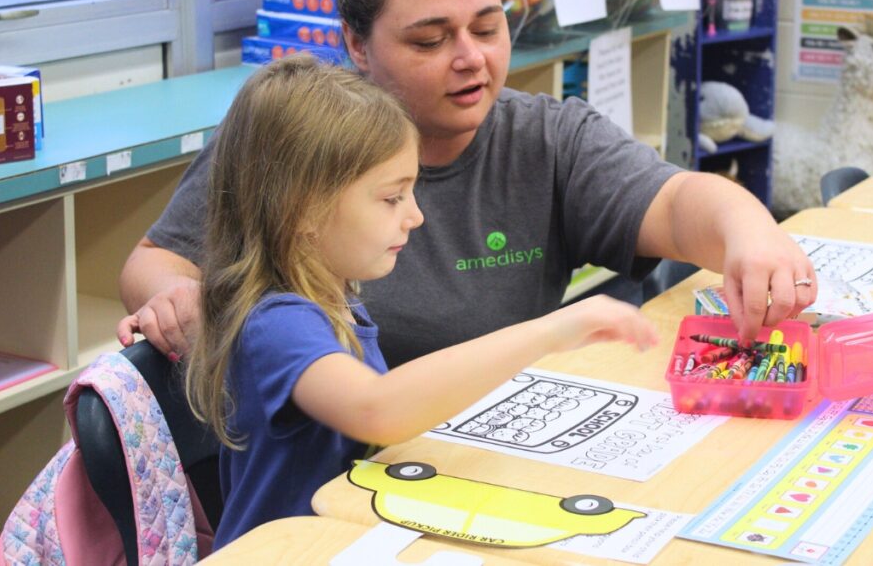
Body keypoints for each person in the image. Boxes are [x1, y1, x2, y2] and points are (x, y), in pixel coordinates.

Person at [117, 0, 816, 366]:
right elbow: (153, 262)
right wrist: (178, 299)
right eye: (429, 40)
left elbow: (680, 201)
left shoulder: (547, 137)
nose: (470, 60)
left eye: (488, 28)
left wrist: (750, 237)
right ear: (358, 45)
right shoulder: (295, 139)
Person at [180, 54, 658, 547]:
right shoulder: (278, 323)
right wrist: (548, 332)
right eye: (392, 198)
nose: (415, 217)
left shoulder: (336, 298)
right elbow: (377, 410)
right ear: (304, 210)